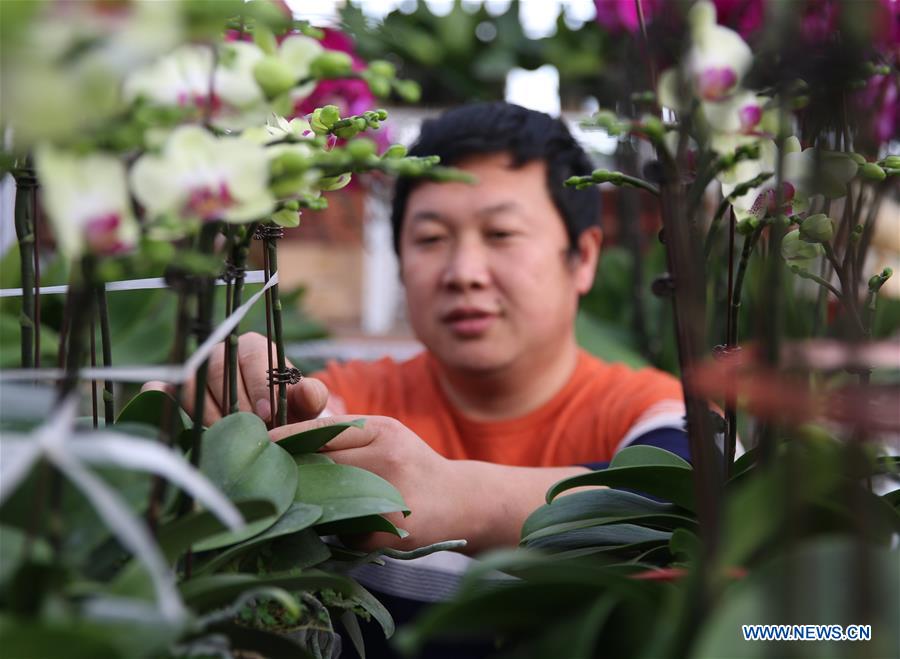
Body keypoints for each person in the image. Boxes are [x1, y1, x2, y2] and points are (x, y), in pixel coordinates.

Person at [147, 101, 689, 650]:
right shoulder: (344, 407)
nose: (463, 273)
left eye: (501, 233)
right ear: (401, 263)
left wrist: (458, 497)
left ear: (583, 257)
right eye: (431, 238)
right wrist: (211, 404)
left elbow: (699, 501)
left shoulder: (655, 414)